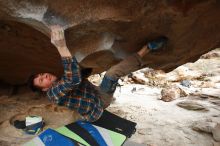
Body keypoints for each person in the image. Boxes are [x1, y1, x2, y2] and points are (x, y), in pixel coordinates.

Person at [28, 25, 168, 122]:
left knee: (100, 72)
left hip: (95, 92)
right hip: (99, 104)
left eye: (42, 74)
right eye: (41, 80)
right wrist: (61, 46)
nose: (44, 76)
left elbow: (77, 76)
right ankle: (147, 48)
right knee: (111, 75)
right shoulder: (53, 94)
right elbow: (73, 80)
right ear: (45, 89)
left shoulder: (61, 81)